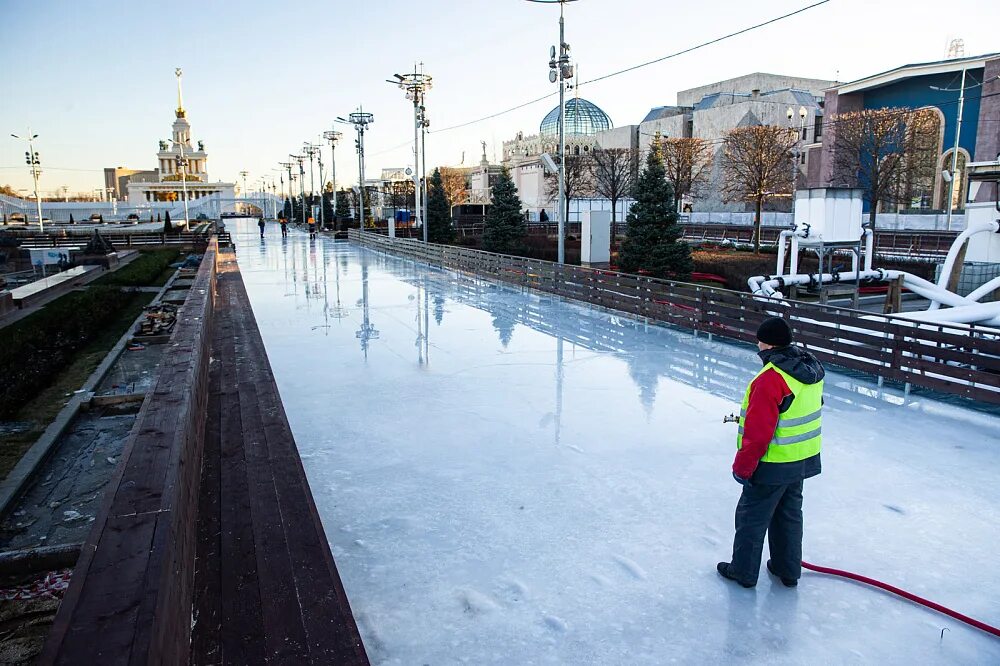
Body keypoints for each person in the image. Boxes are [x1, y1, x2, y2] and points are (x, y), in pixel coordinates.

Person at [717, 317, 824, 589]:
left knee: (751, 519)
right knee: (789, 515)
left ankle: (742, 571)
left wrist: (743, 468)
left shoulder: (770, 379)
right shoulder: (810, 369)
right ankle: (787, 569)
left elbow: (757, 433)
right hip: (801, 459)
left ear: (765, 344)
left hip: (772, 464)